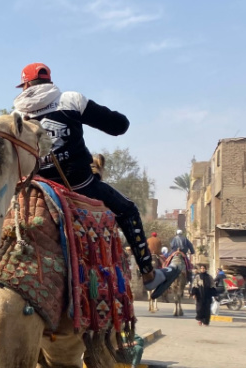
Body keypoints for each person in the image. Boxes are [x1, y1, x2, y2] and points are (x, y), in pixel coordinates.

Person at [12, 63, 180, 299]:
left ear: (26, 85)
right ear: (49, 81)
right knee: (128, 210)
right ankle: (149, 277)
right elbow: (119, 126)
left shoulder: (17, 116)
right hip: (81, 188)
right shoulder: (70, 100)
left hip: (39, 191)